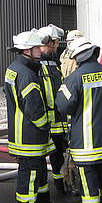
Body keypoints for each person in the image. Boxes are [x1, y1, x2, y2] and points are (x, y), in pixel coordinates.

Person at [55, 37, 102, 203]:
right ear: (94, 53)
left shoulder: (75, 78)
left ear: (77, 57)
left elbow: (62, 106)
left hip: (84, 142)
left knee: (87, 177)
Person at [4, 29, 55, 203]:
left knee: (37, 171)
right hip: (29, 136)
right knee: (30, 174)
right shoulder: (27, 75)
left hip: (21, 132)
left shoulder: (14, 68)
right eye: (37, 48)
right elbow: (34, 110)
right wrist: (46, 126)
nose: (41, 50)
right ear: (27, 50)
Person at [38, 24, 70, 194]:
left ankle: (60, 185)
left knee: (58, 154)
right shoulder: (37, 65)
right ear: (47, 42)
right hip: (45, 121)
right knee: (42, 156)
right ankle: (43, 192)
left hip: (58, 120)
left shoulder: (54, 63)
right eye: (55, 43)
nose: (57, 46)